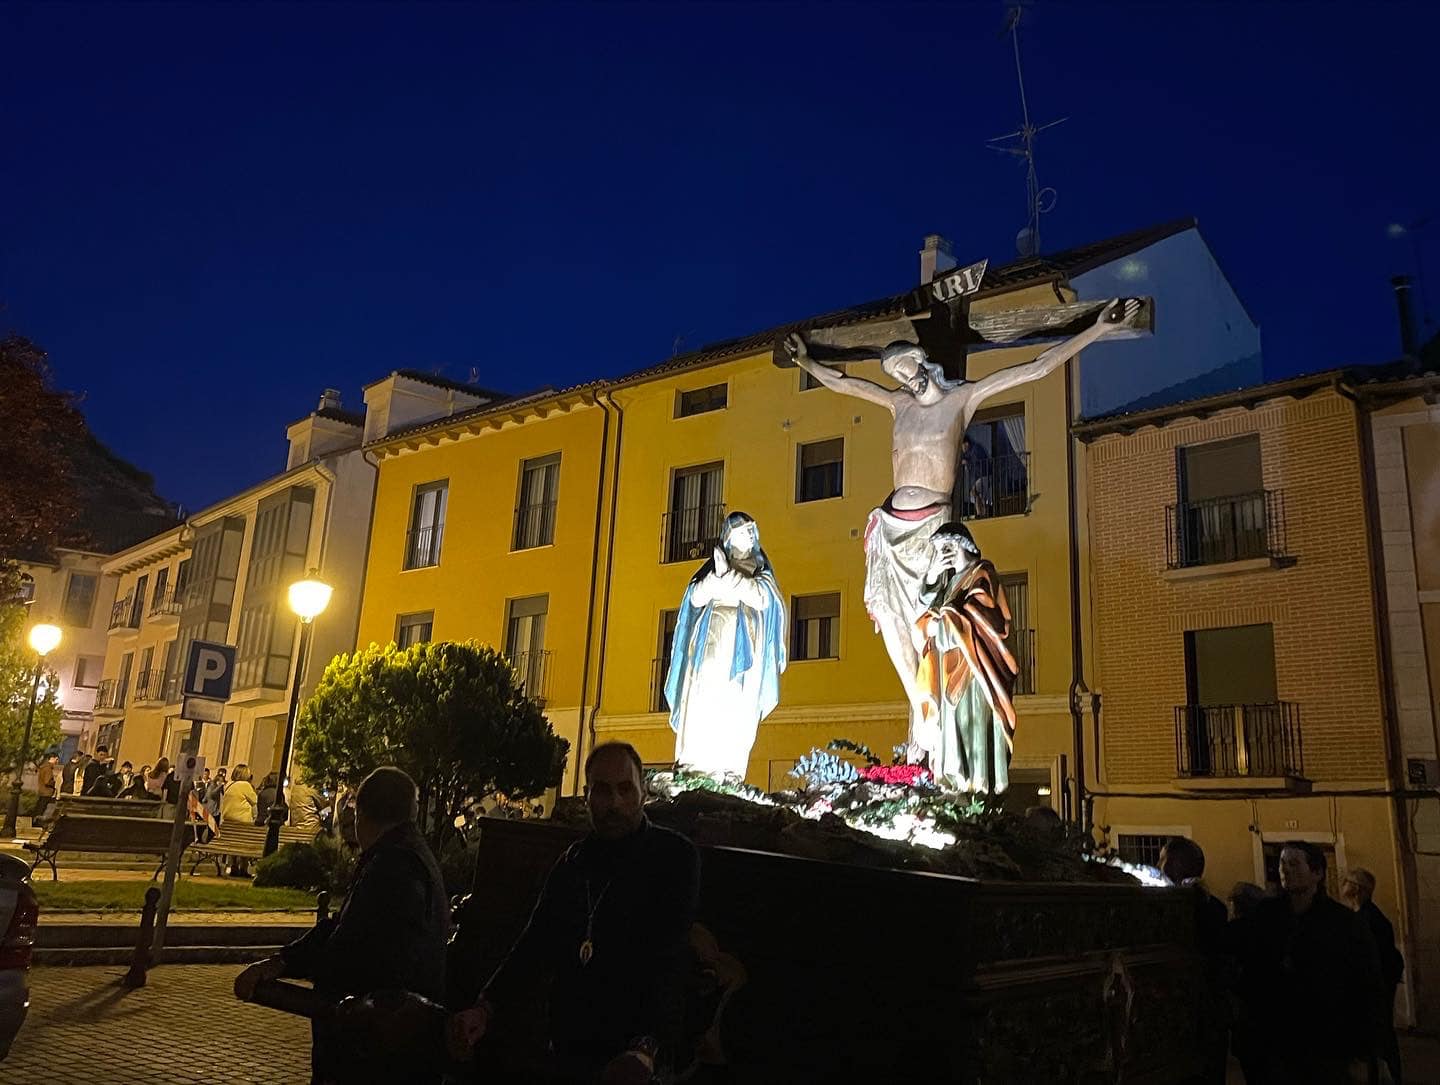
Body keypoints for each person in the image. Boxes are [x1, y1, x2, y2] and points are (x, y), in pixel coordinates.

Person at [785, 299, 1139, 758]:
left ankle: (931, 720)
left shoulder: (961, 399)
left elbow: (1035, 368)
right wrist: (806, 361)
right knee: (889, 619)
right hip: (890, 529)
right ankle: (919, 709)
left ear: (924, 362)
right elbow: (845, 383)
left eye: (908, 368)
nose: (906, 379)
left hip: (933, 526)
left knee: (928, 625)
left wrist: (1097, 329)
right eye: (898, 375)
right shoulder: (897, 404)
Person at [452, 741, 700, 1083]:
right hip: (571, 1050)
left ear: (643, 792)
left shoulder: (674, 857)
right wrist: (485, 1007)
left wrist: (647, 1048)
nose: (614, 803)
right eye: (603, 790)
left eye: (625, 789)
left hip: (641, 1058)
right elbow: (534, 945)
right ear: (587, 796)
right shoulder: (573, 864)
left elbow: (669, 961)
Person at [235, 766, 449, 1085]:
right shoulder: (409, 855)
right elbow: (343, 927)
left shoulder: (392, 864)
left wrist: (288, 966)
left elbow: (349, 943)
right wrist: (285, 961)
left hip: (373, 1048)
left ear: (361, 816)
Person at [1235, 842, 1383, 1083]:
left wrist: (1363, 1051)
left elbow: (1366, 985)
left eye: (1294, 864)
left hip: (1325, 1042)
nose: (1285, 870)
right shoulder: (1265, 916)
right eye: (1282, 863)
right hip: (1274, 1042)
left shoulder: (1343, 923)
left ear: (1317, 873)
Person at [664, 511, 787, 778]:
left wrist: (727, 578)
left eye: (752, 530)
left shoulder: (760, 571)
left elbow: (763, 599)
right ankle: (693, 761)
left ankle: (730, 766)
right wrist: (715, 579)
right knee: (702, 695)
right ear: (730, 538)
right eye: (744, 531)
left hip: (745, 649)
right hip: (711, 639)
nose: (750, 535)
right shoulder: (710, 569)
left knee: (737, 703)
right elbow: (695, 598)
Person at [912, 523, 1018, 793]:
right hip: (950, 672)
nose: (939, 556)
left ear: (954, 546)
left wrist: (942, 625)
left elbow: (983, 618)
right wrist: (932, 579)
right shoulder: (950, 584)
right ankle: (954, 786)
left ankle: (976, 788)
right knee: (951, 733)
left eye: (942, 550)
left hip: (975, 672)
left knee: (971, 728)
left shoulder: (982, 574)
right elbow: (923, 613)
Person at [1159, 837, 1229, 1085]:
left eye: (1163, 859)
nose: (1159, 866)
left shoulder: (1186, 906)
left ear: (1176, 865)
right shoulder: (1214, 906)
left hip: (1194, 1013)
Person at [1342, 868, 1404, 1084]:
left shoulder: (1366, 920)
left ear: (1357, 889)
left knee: (1380, 1034)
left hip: (1374, 987)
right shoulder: (1367, 917)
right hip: (1378, 985)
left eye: (1347, 881)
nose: (1343, 885)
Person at [220, 766, 259, 876]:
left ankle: (233, 866)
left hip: (228, 822)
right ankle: (243, 868)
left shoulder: (228, 785)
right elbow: (255, 800)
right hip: (243, 822)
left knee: (233, 844)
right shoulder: (245, 785)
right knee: (245, 845)